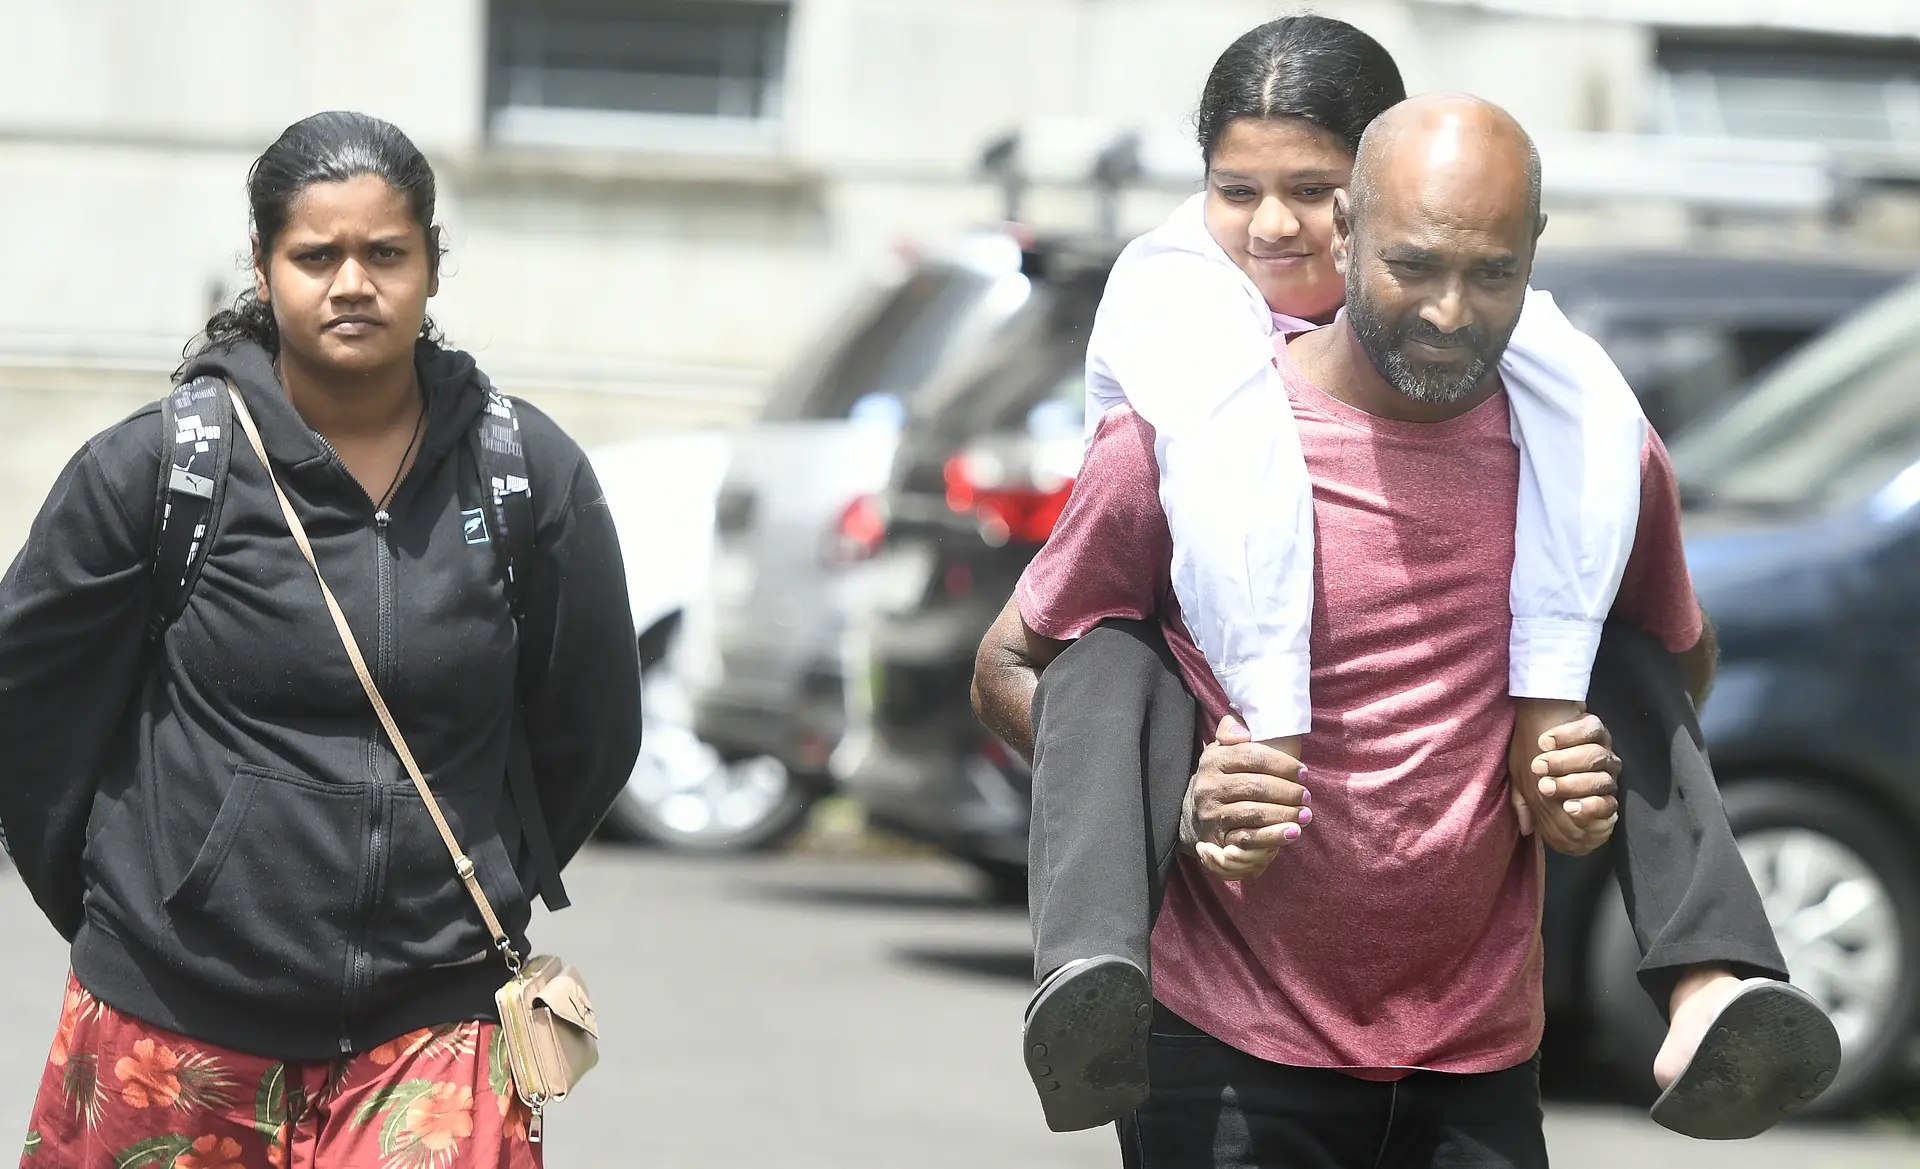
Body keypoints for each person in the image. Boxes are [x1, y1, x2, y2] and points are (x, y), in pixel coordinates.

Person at [972, 47, 1834, 1167]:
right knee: (1111, 649)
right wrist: (1179, 797)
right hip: (1227, 1052)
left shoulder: (1595, 448)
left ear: (1533, 262)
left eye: (1489, 276)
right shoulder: (1182, 429)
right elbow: (1008, 666)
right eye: (1415, 264)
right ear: (1357, 234)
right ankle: (1094, 967)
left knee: (1617, 651)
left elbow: (1680, 662)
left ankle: (1713, 981)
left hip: (1475, 1064)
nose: (1446, 310)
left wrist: (1582, 762)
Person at [0, 111, 641, 1167]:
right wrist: (132, 902)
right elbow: (28, 707)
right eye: (317, 255)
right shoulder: (159, 471)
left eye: (386, 253)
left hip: (434, 1026)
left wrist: (488, 872)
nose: (353, 282)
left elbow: (593, 722)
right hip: (169, 1024)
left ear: (434, 266)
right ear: (262, 268)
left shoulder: (527, 475)